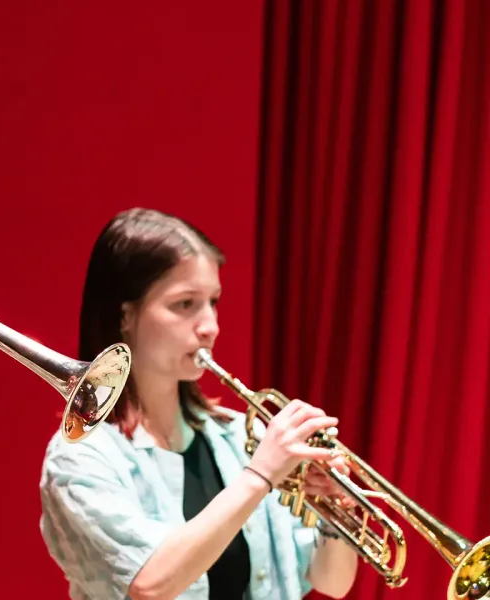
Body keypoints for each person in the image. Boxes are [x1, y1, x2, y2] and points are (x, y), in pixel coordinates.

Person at [39, 207, 360, 600]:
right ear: (125, 316)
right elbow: (149, 584)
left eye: (214, 301)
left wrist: (333, 509)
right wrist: (260, 476)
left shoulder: (239, 435)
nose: (211, 326)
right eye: (185, 304)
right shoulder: (80, 459)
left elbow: (332, 582)